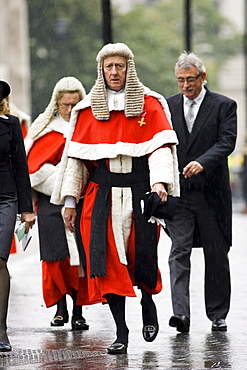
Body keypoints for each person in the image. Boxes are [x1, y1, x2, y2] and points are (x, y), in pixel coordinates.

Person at [51, 43, 180, 354]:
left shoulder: (150, 104)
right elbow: (77, 162)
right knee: (105, 262)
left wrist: (161, 184)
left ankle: (148, 303)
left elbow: (160, 149)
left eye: (119, 66)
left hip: (139, 193)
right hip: (100, 197)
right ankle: (121, 330)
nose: (114, 72)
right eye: (109, 66)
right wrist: (70, 202)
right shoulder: (85, 111)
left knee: (142, 255)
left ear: (128, 68)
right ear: (101, 70)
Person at [165, 52, 237, 333]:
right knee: (178, 252)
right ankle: (180, 314)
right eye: (180, 80)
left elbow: (227, 142)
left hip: (212, 195)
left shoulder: (224, 105)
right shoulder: (168, 106)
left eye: (190, 79)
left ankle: (218, 314)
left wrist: (202, 162)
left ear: (202, 77)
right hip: (180, 195)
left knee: (216, 254)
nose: (185, 85)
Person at [25, 77, 90, 331]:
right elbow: (33, 171)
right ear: (57, 103)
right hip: (50, 204)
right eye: (65, 104)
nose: (70, 110)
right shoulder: (46, 130)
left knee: (81, 259)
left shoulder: (87, 126)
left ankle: (79, 311)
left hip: (82, 202)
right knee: (54, 258)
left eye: (74, 104)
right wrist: (60, 179)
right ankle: (60, 308)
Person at [0, 79, 35, 352]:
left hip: (5, 198)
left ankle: (1, 330)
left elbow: (21, 167)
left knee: (0, 261)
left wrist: (26, 209)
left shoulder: (10, 124)